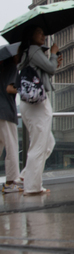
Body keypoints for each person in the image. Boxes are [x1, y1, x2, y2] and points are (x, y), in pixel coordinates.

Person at [15, 26, 62, 195]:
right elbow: (50, 69)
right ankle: (32, 187)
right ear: (31, 34)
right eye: (39, 32)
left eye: (44, 32)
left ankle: (26, 176)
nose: (43, 36)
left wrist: (53, 60)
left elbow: (46, 72)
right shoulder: (34, 50)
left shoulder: (29, 53)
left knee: (48, 143)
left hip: (32, 103)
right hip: (37, 104)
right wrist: (54, 54)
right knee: (39, 145)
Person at [0, 55, 21, 193]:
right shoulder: (12, 67)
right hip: (6, 112)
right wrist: (24, 88)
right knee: (12, 146)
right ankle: (11, 182)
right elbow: (10, 88)